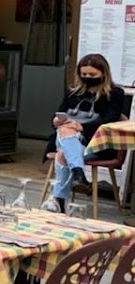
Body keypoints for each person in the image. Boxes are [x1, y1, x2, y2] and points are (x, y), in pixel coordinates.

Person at [46, 53, 124, 208]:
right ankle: (78, 174)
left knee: (63, 153)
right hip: (66, 137)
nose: (88, 77)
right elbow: (59, 113)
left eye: (92, 75)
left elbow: (109, 120)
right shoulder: (73, 92)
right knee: (66, 130)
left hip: (95, 143)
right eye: (84, 74)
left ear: (104, 73)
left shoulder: (114, 93)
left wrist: (82, 127)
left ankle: (59, 200)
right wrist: (56, 121)